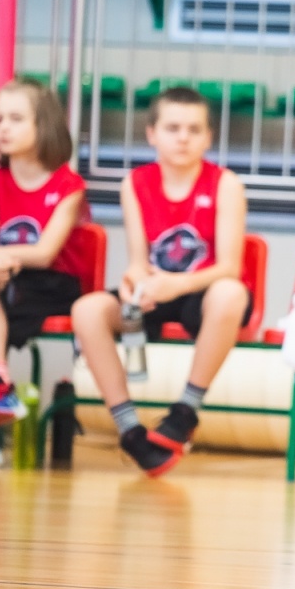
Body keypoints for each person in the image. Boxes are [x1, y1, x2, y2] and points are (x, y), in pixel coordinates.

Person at [70, 87, 249, 477]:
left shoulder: (226, 184)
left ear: (208, 137)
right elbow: (138, 260)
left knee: (231, 293)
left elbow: (229, 268)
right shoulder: (135, 183)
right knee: (86, 310)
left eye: (193, 129)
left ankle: (185, 412)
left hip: (201, 293)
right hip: (156, 292)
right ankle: (129, 430)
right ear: (152, 133)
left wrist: (177, 285)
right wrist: (135, 282)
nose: (183, 137)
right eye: (172, 127)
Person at [0, 78, 89, 467]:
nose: (3, 127)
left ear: (45, 126)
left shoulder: (68, 186)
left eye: (16, 118)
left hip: (51, 284)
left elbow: (43, 252)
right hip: (6, 281)